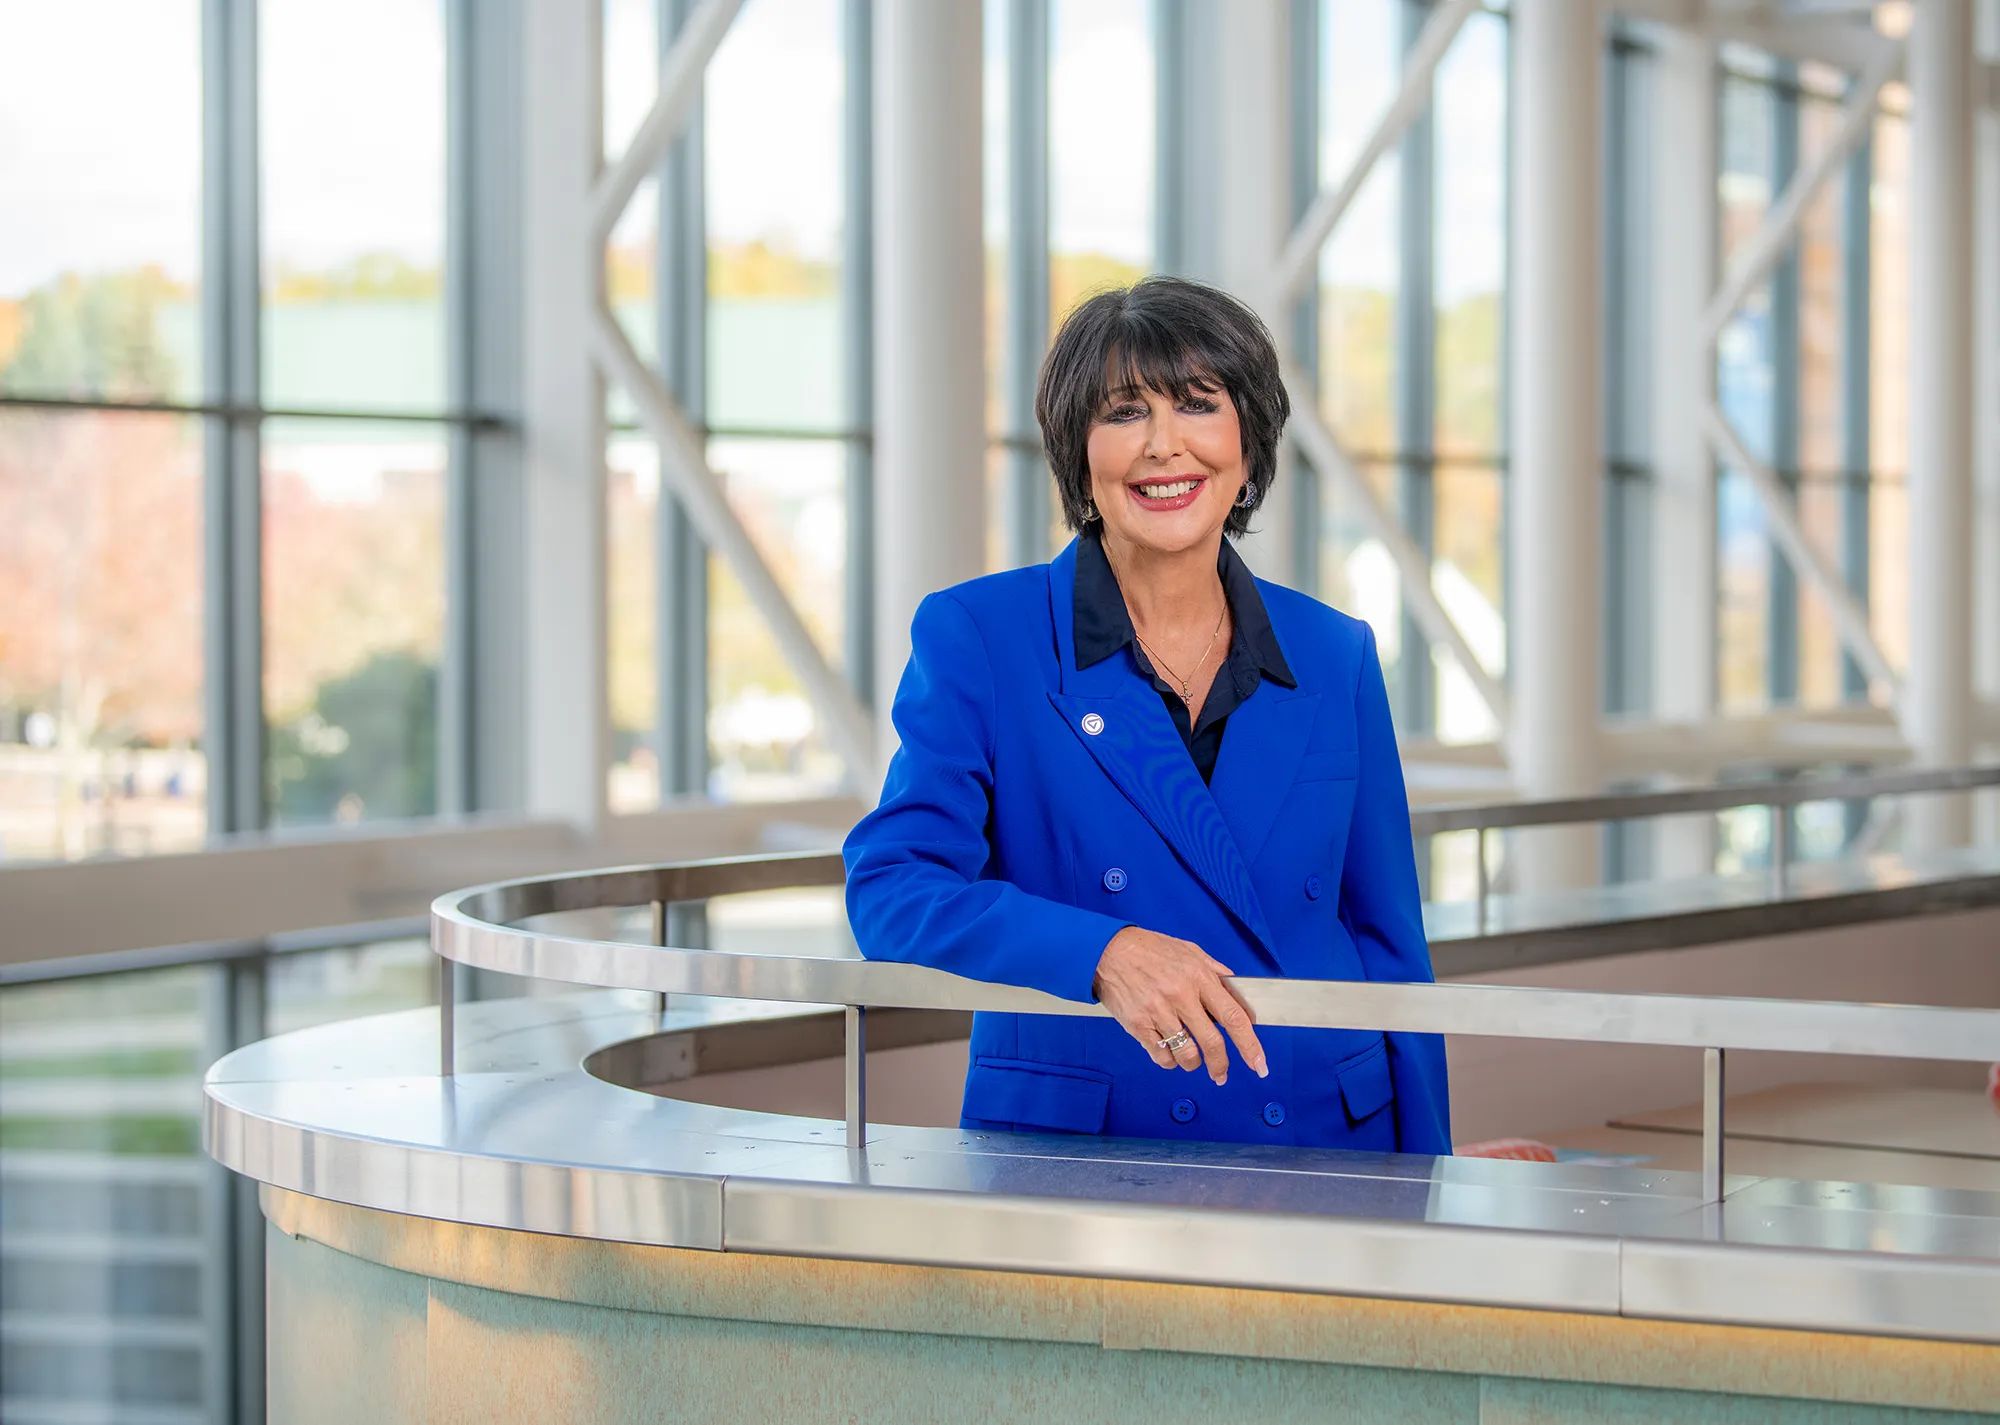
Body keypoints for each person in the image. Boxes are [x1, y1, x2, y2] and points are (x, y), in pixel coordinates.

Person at [841, 275, 1451, 1153]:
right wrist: (1102, 950)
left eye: (1200, 405)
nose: (1166, 446)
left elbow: (1392, 946)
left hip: (1325, 1130)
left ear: (1247, 441)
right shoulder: (983, 635)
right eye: (1125, 413)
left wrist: (1438, 1181)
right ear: (1078, 453)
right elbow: (891, 886)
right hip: (1089, 1142)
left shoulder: (1334, 651)